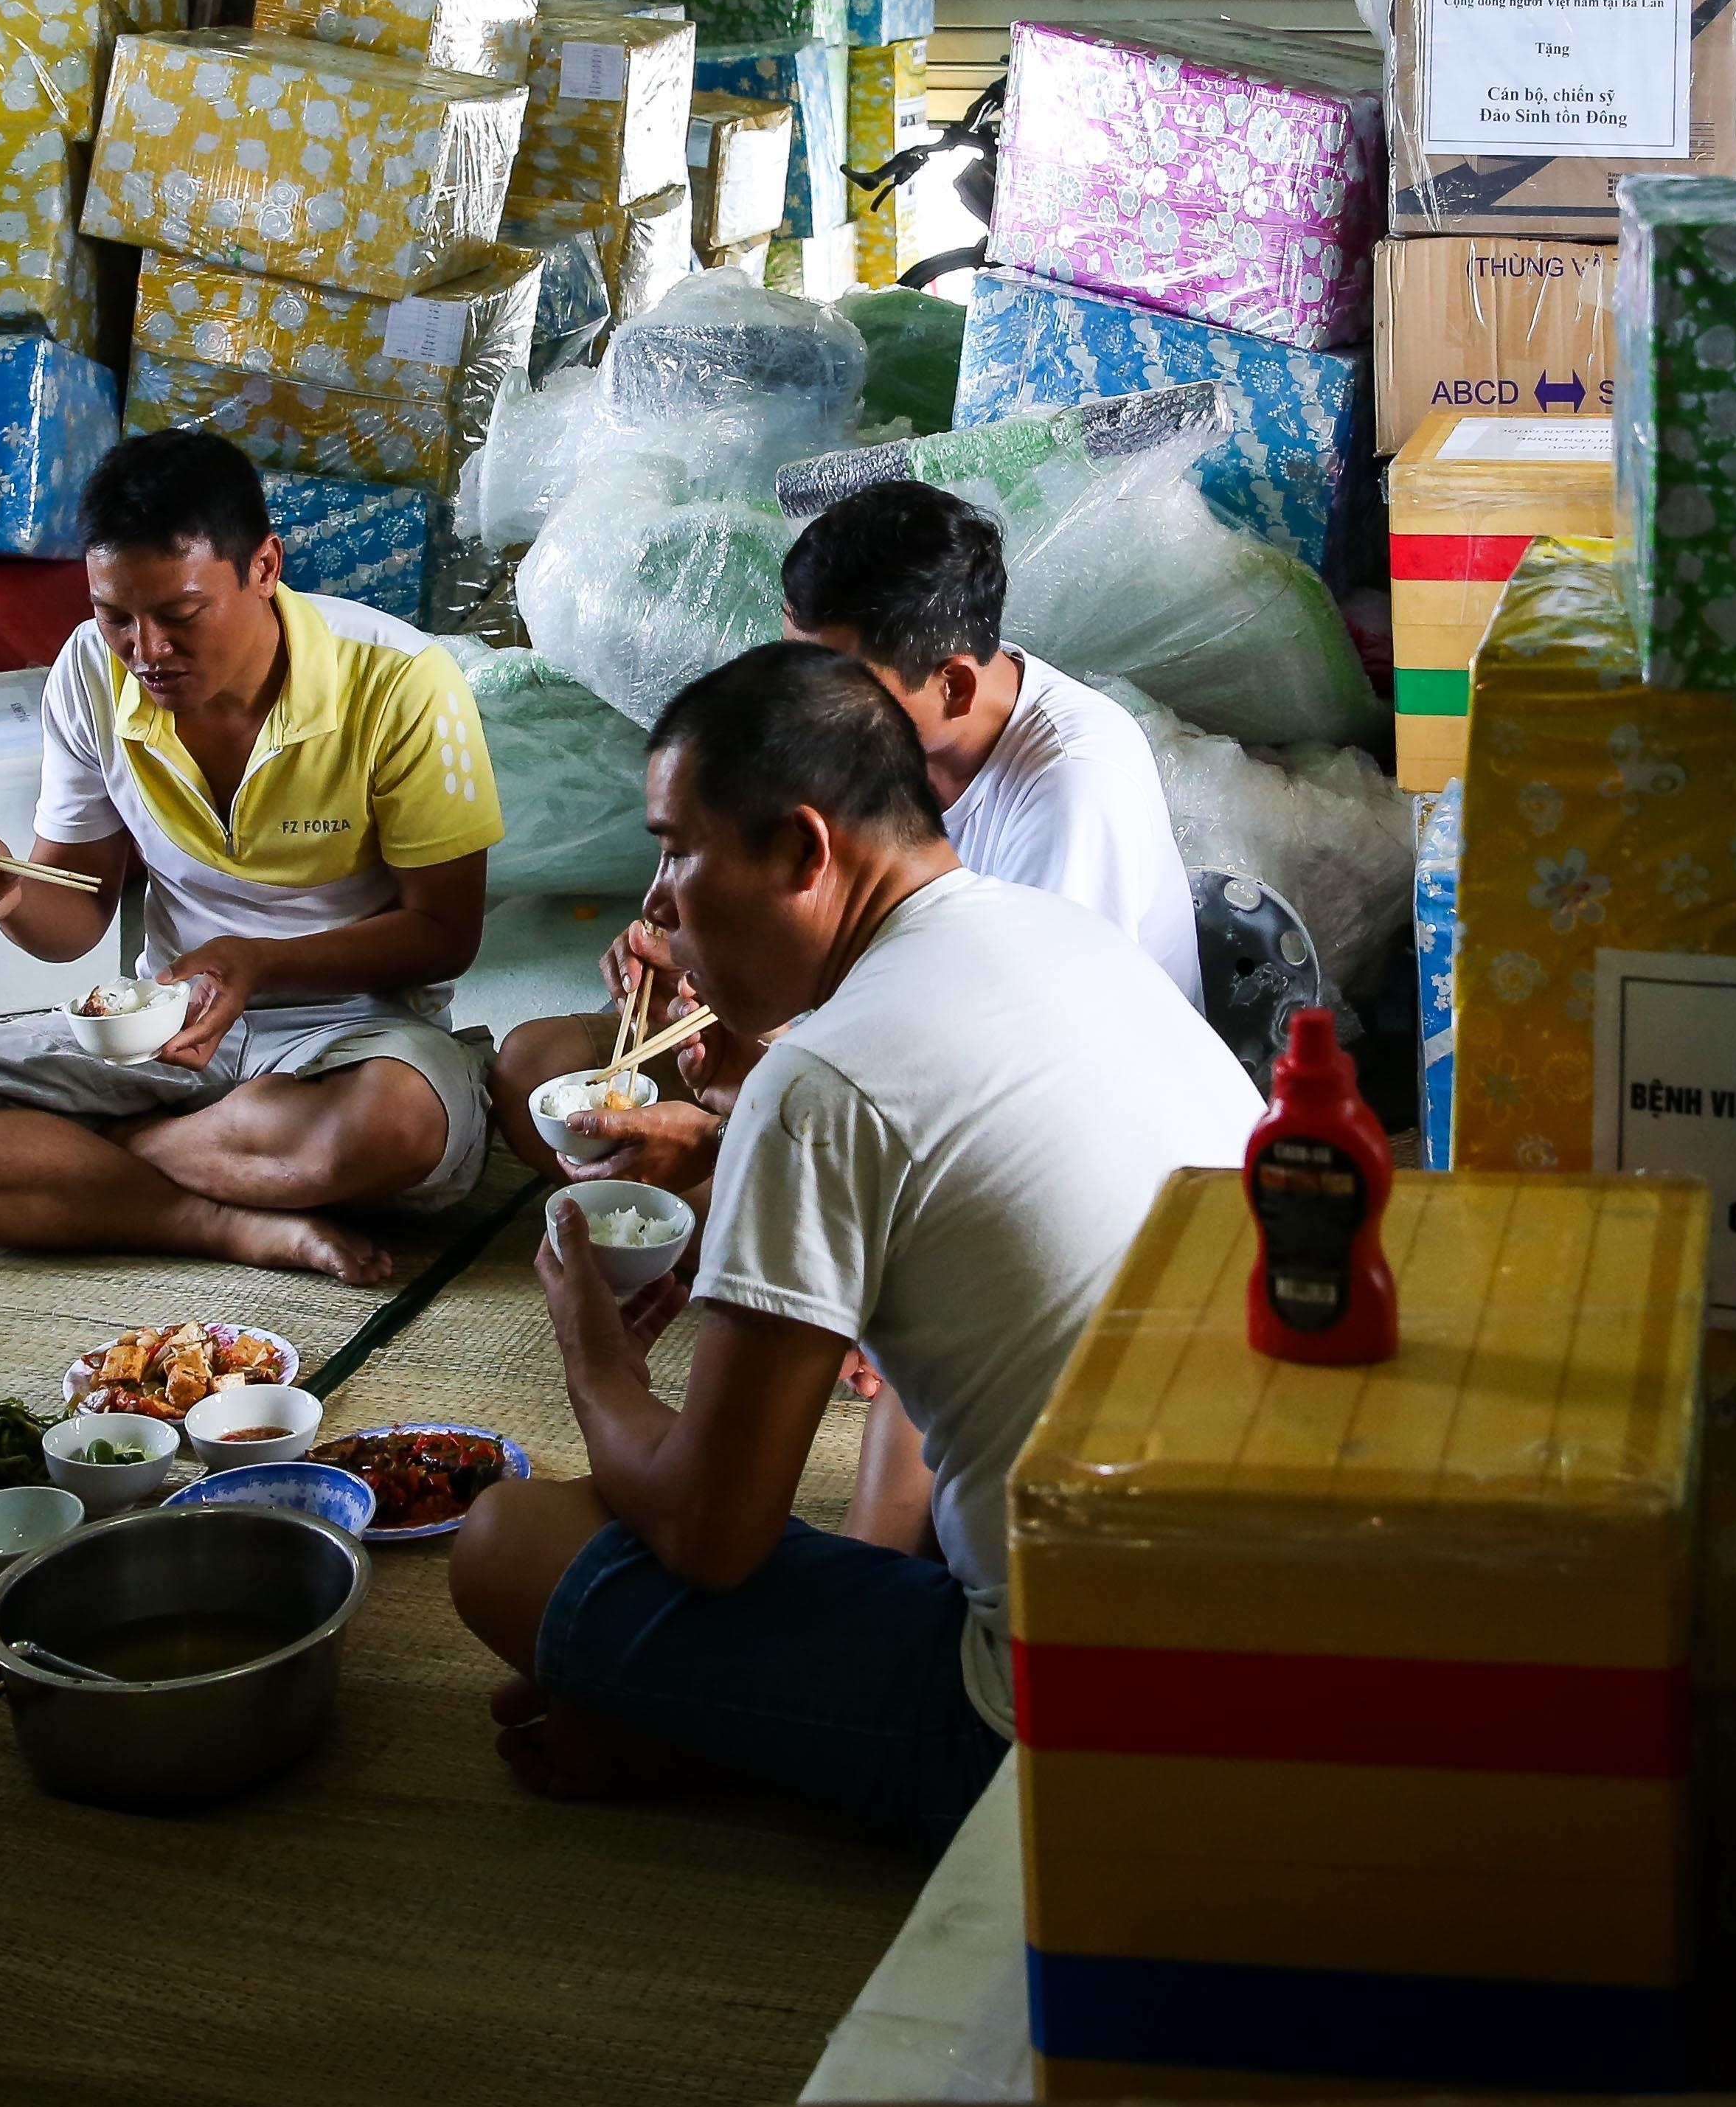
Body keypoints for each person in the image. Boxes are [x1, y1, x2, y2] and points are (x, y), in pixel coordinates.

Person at [447, 642, 1257, 1852]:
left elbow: (712, 1537)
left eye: (679, 847)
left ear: (806, 854)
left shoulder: (823, 1082)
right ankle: (729, 1716)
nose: (657, 902)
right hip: (1287, 1636)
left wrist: (594, 1354)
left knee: (508, 1543)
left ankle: (724, 1736)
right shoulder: (1055, 933)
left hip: (1068, 1738)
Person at [0, 431, 504, 1285]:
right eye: (114, 613)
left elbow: (443, 934)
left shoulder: (402, 682)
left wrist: (254, 966)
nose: (145, 650)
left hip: (350, 1037)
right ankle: (221, 1218)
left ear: (265, 566)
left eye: (180, 614)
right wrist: (11, 893)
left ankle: (83, 1164)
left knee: (391, 1127)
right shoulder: (90, 674)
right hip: (158, 1029)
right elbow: (78, 917)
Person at [483, 476, 1198, 1174]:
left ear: (953, 686)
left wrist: (733, 1127)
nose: (803, 705)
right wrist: (701, 956)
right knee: (532, 1076)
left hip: (987, 1125)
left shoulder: (1072, 789)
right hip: (850, 1049)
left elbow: (1005, 1094)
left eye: (835, 682)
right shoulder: (843, 728)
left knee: (722, 1209)